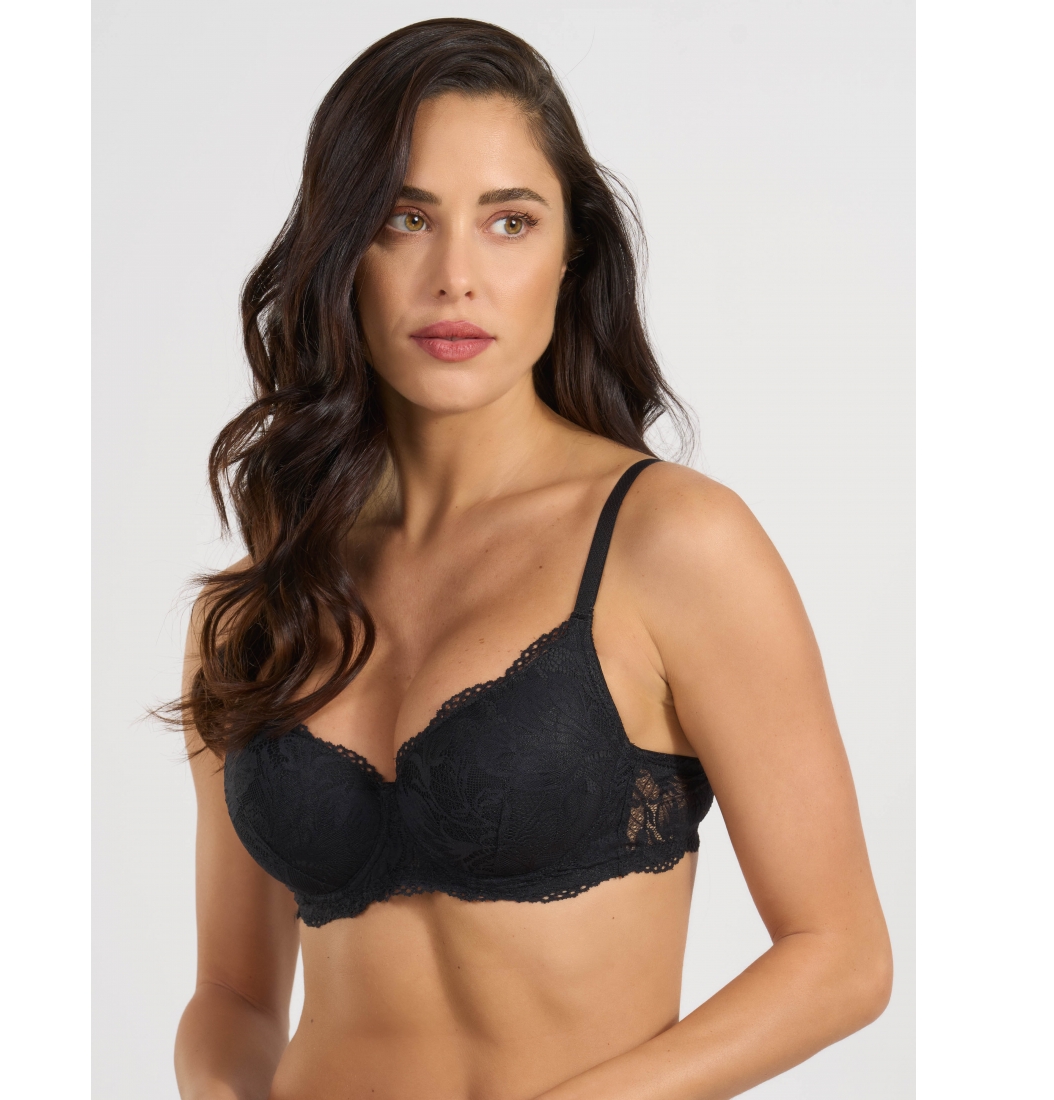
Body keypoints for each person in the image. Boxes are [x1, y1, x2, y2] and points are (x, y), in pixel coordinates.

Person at [172, 18, 891, 1100]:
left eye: (508, 221)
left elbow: (839, 956)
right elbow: (232, 995)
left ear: (569, 255)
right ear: (341, 249)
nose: (455, 277)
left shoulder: (670, 542)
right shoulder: (253, 613)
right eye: (405, 219)